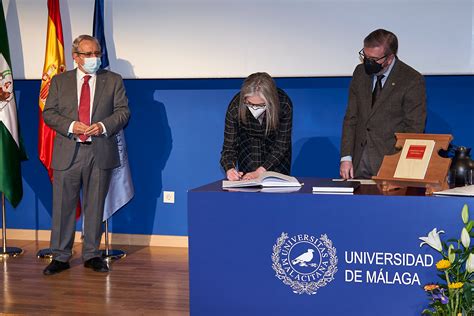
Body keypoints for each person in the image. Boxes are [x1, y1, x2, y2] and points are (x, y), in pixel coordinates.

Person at [42, 35, 130, 275]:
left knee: (94, 206)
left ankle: (92, 254)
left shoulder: (113, 80)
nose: (94, 59)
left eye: (97, 54)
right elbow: (49, 113)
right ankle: (60, 256)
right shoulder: (60, 81)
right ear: (76, 57)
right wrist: (72, 125)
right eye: (89, 54)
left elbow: (123, 113)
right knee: (63, 207)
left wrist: (102, 126)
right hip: (68, 151)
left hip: (99, 151)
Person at [340, 29, 426, 179]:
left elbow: (414, 128)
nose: (368, 62)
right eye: (365, 56)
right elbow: (351, 117)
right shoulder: (360, 73)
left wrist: (398, 165)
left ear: (390, 58)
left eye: (374, 59)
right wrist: (346, 158)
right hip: (358, 162)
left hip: (390, 163)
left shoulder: (411, 80)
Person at [220, 72, 293, 181]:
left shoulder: (283, 104)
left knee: (275, 190)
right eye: (249, 103)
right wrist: (230, 168)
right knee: (249, 189)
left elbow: (281, 145)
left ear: (270, 101)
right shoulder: (235, 106)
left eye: (260, 105)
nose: (254, 108)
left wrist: (261, 171)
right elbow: (229, 147)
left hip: (276, 157)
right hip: (248, 150)